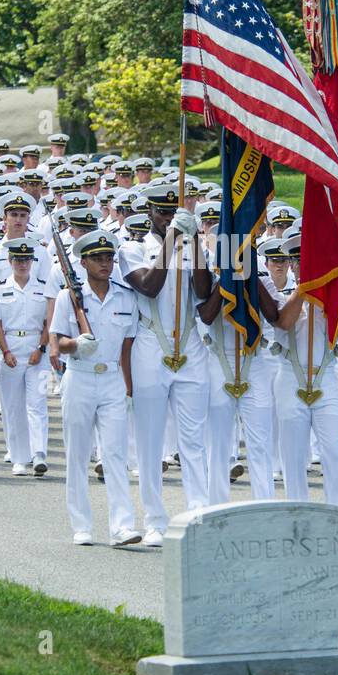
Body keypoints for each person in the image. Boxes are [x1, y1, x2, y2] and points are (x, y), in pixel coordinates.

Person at [116, 184, 211, 544]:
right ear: (150, 213)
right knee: (150, 440)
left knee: (193, 439)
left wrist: (196, 243)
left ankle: (198, 512)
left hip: (189, 345)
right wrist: (172, 239)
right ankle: (155, 519)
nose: (169, 218)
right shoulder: (133, 248)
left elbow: (203, 292)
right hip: (151, 346)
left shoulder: (190, 245)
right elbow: (150, 286)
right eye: (163, 213)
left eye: (174, 213)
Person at [51, 229, 142, 547]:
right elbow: (57, 344)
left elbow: (127, 348)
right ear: (83, 262)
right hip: (79, 377)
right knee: (77, 453)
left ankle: (122, 526)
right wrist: (75, 344)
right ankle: (81, 525)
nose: (105, 263)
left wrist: (129, 389)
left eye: (109, 258)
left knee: (116, 454)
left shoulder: (125, 296)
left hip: (113, 380)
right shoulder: (69, 297)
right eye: (98, 258)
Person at [267, 234, 338, 505]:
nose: (306, 267)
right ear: (293, 266)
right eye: (301, 262)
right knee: (293, 454)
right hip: (292, 377)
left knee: (333, 451)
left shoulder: (332, 295)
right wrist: (304, 289)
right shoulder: (282, 296)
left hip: (325, 376)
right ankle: (297, 510)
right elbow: (283, 323)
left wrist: (329, 288)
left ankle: (337, 510)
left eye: (312, 262)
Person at [197, 248, 281, 503]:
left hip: (253, 361)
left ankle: (264, 504)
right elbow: (207, 315)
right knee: (218, 442)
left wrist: (250, 277)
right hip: (219, 361)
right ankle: (217, 505)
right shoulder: (210, 284)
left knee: (260, 441)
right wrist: (226, 281)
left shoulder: (262, 281)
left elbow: (273, 315)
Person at [0, 236, 55, 477]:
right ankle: (19, 457)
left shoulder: (42, 287)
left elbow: (49, 321)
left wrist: (41, 347)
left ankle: (39, 453)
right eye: (18, 259)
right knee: (13, 407)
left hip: (37, 348)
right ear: (10, 260)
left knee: (37, 404)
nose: (22, 264)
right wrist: (5, 351)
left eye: (26, 259)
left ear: (33, 261)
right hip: (10, 349)